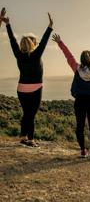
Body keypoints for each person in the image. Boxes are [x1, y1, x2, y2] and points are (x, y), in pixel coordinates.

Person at [0, 8, 54, 147]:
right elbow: (43, 42)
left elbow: (12, 40)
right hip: (35, 88)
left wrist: (8, 24)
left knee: (26, 114)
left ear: (22, 45)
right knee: (31, 115)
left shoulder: (18, 54)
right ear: (32, 45)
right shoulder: (36, 55)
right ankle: (30, 139)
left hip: (21, 88)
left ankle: (23, 136)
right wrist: (50, 26)